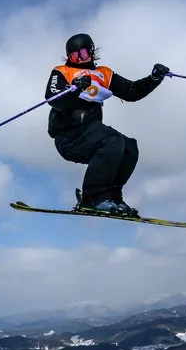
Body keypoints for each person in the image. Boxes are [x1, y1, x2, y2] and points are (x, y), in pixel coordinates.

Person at [44, 32, 169, 216]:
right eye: (74, 55)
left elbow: (131, 92)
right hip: (69, 136)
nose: (79, 59)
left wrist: (154, 79)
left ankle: (111, 197)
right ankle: (93, 198)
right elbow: (53, 98)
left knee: (129, 147)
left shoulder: (103, 74)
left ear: (92, 52)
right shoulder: (62, 72)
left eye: (84, 54)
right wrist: (75, 88)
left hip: (91, 133)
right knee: (112, 140)